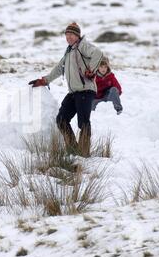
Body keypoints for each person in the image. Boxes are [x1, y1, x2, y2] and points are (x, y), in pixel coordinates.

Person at [29, 22, 103, 157]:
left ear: (77, 35)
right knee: (61, 120)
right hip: (74, 92)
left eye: (71, 34)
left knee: (83, 123)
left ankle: (84, 154)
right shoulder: (69, 51)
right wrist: (44, 80)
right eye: (66, 34)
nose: (68, 37)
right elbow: (59, 68)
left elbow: (98, 53)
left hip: (85, 90)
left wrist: (91, 70)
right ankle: (74, 150)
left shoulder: (82, 46)